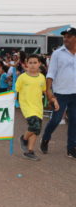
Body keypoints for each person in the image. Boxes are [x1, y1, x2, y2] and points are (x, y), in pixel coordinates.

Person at [40, 27, 76, 159]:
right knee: (56, 119)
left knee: (74, 121)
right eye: (64, 36)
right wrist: (49, 92)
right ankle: (45, 138)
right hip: (60, 93)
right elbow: (51, 73)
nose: (66, 38)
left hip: (75, 93)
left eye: (69, 36)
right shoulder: (58, 53)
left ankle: (71, 148)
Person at [16, 55, 46, 161]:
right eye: (30, 63)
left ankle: (30, 152)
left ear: (39, 64)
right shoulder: (22, 77)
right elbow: (16, 91)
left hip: (38, 107)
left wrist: (53, 100)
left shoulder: (42, 77)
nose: (33, 65)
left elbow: (44, 90)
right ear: (26, 64)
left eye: (35, 62)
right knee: (35, 126)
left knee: (36, 131)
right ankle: (23, 139)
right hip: (27, 107)